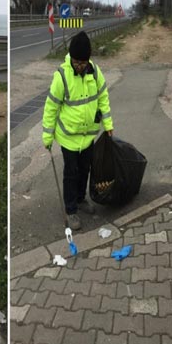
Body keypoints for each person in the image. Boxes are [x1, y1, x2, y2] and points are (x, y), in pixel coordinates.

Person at [42, 31, 114, 230]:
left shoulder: (95, 72)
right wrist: (47, 135)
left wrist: (108, 125)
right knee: (71, 173)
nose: (80, 66)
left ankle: (81, 199)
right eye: (76, 62)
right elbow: (51, 108)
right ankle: (71, 209)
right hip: (68, 138)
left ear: (88, 60)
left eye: (83, 63)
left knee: (85, 170)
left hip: (88, 135)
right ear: (71, 58)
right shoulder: (61, 77)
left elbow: (103, 100)